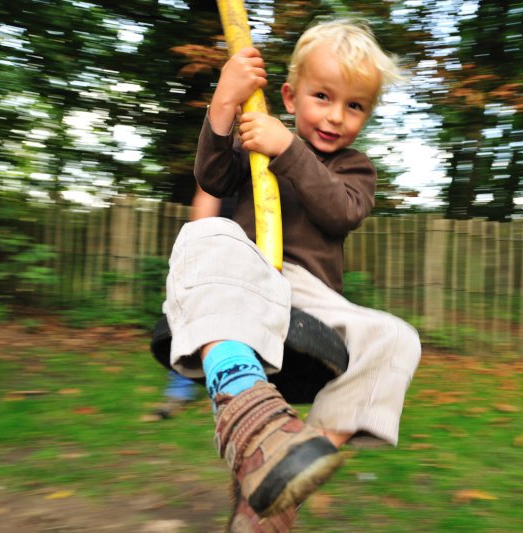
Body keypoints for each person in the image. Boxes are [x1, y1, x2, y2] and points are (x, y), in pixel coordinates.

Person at [163, 19, 422, 531]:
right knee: (202, 236)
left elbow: (339, 211)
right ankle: (255, 423)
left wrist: (287, 150)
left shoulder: (354, 168)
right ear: (289, 94)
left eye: (355, 106)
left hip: (311, 298)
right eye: (322, 96)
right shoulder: (255, 137)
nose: (336, 117)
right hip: (246, 281)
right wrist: (223, 107)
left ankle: (298, 459)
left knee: (398, 339)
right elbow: (212, 177)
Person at [146, 187, 222, 421]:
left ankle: (228, 396)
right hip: (216, 246)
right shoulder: (225, 161)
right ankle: (181, 391)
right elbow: (206, 199)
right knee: (193, 317)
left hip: (252, 247)